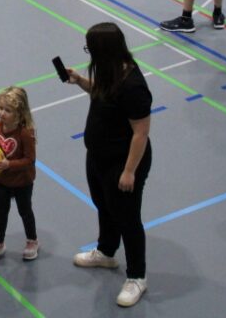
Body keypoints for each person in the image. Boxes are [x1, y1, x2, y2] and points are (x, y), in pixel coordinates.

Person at [64, 22, 152, 309]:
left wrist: (129, 172)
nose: (89, 54)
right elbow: (101, 95)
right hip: (98, 156)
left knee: (128, 217)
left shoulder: (133, 85)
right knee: (104, 205)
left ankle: (137, 276)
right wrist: (80, 81)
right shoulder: (108, 70)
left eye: (90, 48)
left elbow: (140, 133)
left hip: (123, 162)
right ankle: (106, 251)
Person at [0, 86, 38, 264]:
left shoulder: (25, 133)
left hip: (22, 181)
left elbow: (29, 160)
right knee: (1, 212)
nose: (2, 113)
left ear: (19, 113)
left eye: (8, 110)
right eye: (1, 108)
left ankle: (32, 241)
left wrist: (8, 164)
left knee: (25, 211)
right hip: (2, 180)